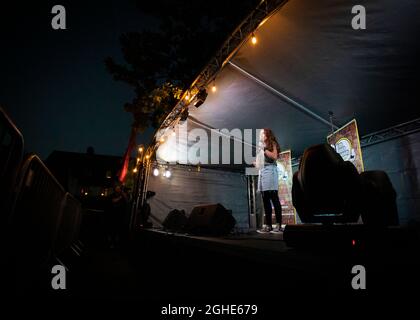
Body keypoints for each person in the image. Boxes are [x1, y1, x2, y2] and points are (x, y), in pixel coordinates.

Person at [255, 128, 283, 233]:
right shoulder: (260, 147)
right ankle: (268, 226)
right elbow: (259, 164)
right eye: (260, 134)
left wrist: (264, 149)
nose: (260, 135)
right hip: (262, 172)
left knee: (273, 198)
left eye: (262, 133)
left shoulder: (272, 143)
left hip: (270, 171)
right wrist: (255, 162)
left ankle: (279, 225)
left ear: (267, 135)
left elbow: (275, 156)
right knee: (265, 200)